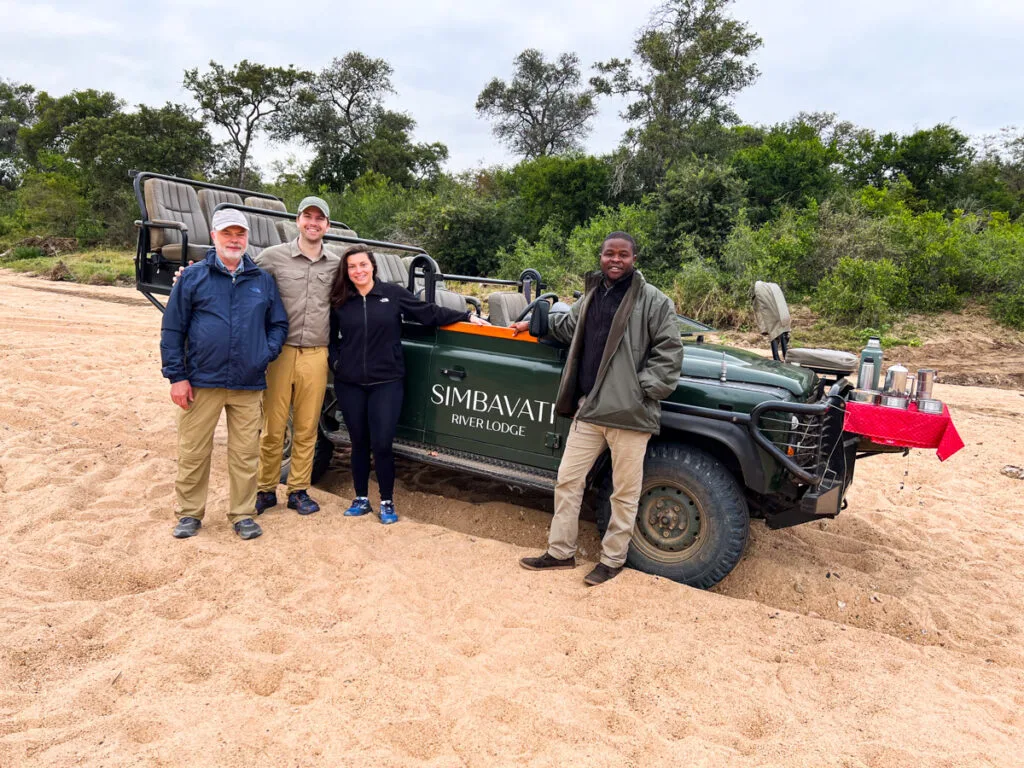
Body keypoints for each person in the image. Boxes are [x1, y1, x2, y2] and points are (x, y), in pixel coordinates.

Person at [512, 232, 683, 586]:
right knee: (568, 481)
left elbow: (669, 353)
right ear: (601, 257)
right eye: (609, 254)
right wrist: (535, 324)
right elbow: (569, 327)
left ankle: (612, 560)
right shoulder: (592, 295)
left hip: (629, 414)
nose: (615, 260)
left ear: (634, 258)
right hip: (589, 410)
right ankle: (560, 552)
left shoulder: (654, 301)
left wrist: (639, 392)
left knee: (624, 492)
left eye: (623, 254)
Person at [328, 245, 489, 524]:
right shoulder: (341, 299)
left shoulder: (392, 294)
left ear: (373, 267)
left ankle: (387, 501)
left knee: (381, 444)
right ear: (347, 270)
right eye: (352, 267)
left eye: (363, 265)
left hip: (387, 383)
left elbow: (428, 312)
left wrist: (465, 316)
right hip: (350, 383)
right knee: (359, 442)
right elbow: (331, 337)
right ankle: (361, 498)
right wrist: (337, 363)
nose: (358, 271)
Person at [161, 209, 289, 540]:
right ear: (214, 236)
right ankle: (189, 513)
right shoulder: (193, 277)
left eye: (240, 235)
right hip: (201, 381)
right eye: (227, 234)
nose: (234, 240)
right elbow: (173, 329)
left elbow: (278, 324)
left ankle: (243, 514)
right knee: (193, 450)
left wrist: (265, 352)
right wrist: (176, 376)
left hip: (247, 383)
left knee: (246, 454)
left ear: (247, 239)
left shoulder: (262, 280)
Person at [251, 196, 340, 517]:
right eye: (308, 216)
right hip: (280, 353)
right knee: (273, 426)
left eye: (320, 218)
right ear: (298, 220)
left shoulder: (336, 262)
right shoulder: (273, 258)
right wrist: (190, 275)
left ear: (327, 225)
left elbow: (363, 287)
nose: (313, 223)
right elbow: (240, 277)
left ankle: (298, 490)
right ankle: (264, 489)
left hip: (317, 354)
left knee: (306, 427)